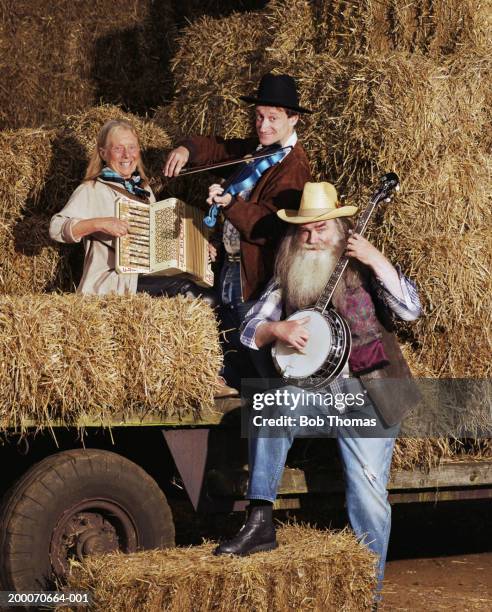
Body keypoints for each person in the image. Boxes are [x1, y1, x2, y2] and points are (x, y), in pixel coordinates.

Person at [213, 181, 422, 601]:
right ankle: (260, 520)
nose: (312, 237)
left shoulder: (363, 266)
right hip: (318, 396)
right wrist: (277, 329)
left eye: (322, 228)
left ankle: (369, 593)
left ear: (341, 229)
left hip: (371, 395)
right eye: (305, 229)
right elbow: (250, 327)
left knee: (367, 495)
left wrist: (376, 258)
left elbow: (411, 310)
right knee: (272, 404)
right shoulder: (289, 270)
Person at [164, 73, 312, 389]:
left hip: (256, 276)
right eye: (259, 117)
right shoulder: (258, 149)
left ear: (293, 119)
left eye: (273, 118)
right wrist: (186, 150)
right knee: (226, 333)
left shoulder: (293, 166)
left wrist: (230, 204)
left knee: (248, 343)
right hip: (231, 268)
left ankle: (261, 411)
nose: (263, 125)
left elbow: (269, 225)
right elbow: (218, 149)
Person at [49, 118, 212, 301]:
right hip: (113, 282)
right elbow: (56, 227)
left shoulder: (145, 191)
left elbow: (159, 243)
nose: (127, 155)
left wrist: (198, 248)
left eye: (132, 147)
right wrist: (100, 224)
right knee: (185, 290)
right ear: (103, 153)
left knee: (205, 290)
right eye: (118, 149)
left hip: (145, 275)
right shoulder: (93, 189)